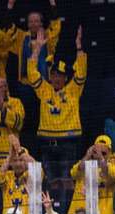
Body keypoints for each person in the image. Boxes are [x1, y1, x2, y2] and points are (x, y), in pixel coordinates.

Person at [27, 27, 86, 179]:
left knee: (68, 181)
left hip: (69, 142)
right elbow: (31, 73)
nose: (57, 78)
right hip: (47, 143)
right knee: (49, 182)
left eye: (60, 76)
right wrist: (38, 48)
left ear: (66, 78)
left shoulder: (73, 90)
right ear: (50, 76)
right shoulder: (44, 90)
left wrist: (79, 47)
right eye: (54, 75)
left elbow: (81, 72)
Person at [66, 136, 115, 214]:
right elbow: (73, 173)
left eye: (103, 153)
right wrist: (87, 155)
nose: (99, 154)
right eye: (96, 151)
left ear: (109, 153)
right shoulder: (84, 165)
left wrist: (101, 158)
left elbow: (112, 175)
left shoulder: (114, 168)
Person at [2, 0, 61, 86]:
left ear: (41, 23)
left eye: (36, 21)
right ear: (28, 24)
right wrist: (10, 5)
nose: (34, 24)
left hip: (45, 83)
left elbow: (56, 25)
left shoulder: (48, 36)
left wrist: (52, 3)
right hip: (26, 84)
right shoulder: (21, 37)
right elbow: (9, 27)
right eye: (31, 22)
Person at [0, 137, 35, 214]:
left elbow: (36, 168)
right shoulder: (7, 176)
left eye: (21, 160)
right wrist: (9, 156)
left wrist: (19, 150)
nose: (18, 164)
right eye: (15, 160)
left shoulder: (31, 176)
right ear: (11, 163)